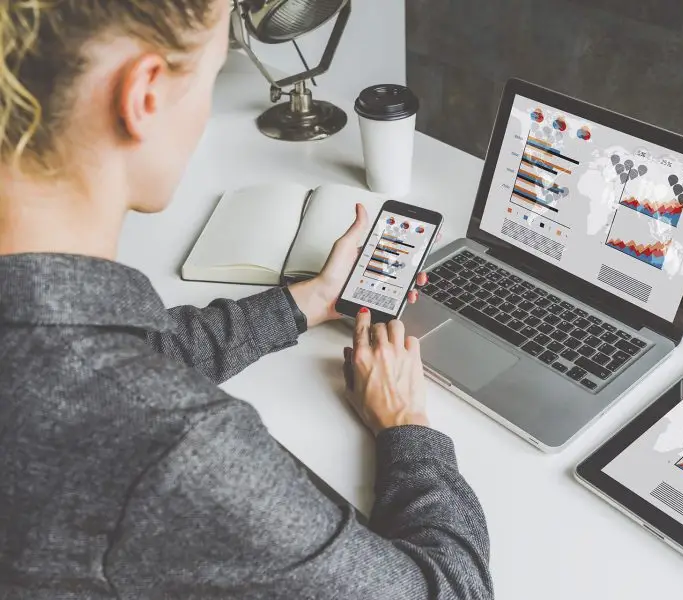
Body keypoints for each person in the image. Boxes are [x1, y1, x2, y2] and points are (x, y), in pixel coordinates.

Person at [0, 2, 493, 599]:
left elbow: (90, 356)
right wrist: (408, 428)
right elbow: (447, 591)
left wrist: (305, 301)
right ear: (146, 95)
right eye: (210, 77)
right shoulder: (175, 447)